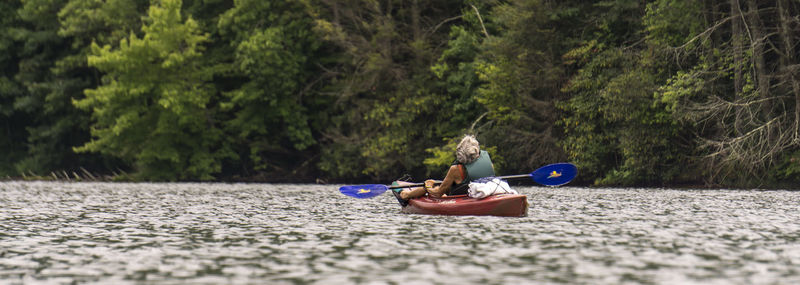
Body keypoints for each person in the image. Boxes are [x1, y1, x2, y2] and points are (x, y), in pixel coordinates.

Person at [392, 135, 495, 206]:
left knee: (428, 187)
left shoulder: (455, 169)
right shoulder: (488, 162)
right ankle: (409, 193)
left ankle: (405, 195)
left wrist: (428, 186)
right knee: (437, 185)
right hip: (482, 193)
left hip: (460, 196)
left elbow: (437, 194)